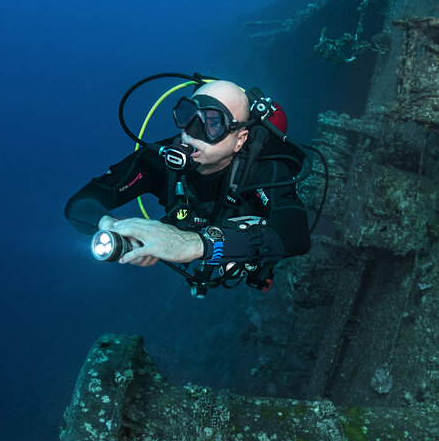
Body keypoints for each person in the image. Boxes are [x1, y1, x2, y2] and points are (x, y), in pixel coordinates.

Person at [65, 79, 311, 291]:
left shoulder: (263, 168)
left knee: (257, 267)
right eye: (188, 116)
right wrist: (115, 225)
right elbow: (80, 204)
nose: (191, 133)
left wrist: (193, 244)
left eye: (213, 123)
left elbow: (295, 234)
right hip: (208, 235)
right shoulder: (157, 161)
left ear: (240, 140)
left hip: (243, 242)